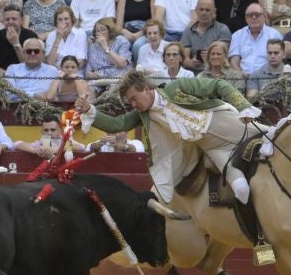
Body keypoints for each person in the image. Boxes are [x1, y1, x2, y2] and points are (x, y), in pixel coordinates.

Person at [76, 70, 259, 219]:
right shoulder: (143, 114)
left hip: (227, 124)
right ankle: (257, 234)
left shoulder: (176, 88)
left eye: (134, 98)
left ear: (147, 89)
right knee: (241, 189)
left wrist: (243, 106)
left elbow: (219, 84)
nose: (133, 104)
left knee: (271, 138)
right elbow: (117, 124)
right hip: (213, 148)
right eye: (129, 101)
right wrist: (88, 110)